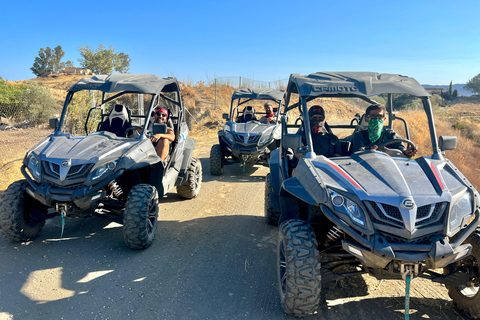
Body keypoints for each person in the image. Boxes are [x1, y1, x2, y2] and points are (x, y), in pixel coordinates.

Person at [351, 104, 417, 157]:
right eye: (373, 116)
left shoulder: (391, 135)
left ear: (384, 119)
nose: (377, 119)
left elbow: (401, 150)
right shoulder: (359, 135)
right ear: (367, 119)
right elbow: (358, 153)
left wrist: (406, 153)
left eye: (380, 116)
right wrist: (368, 151)